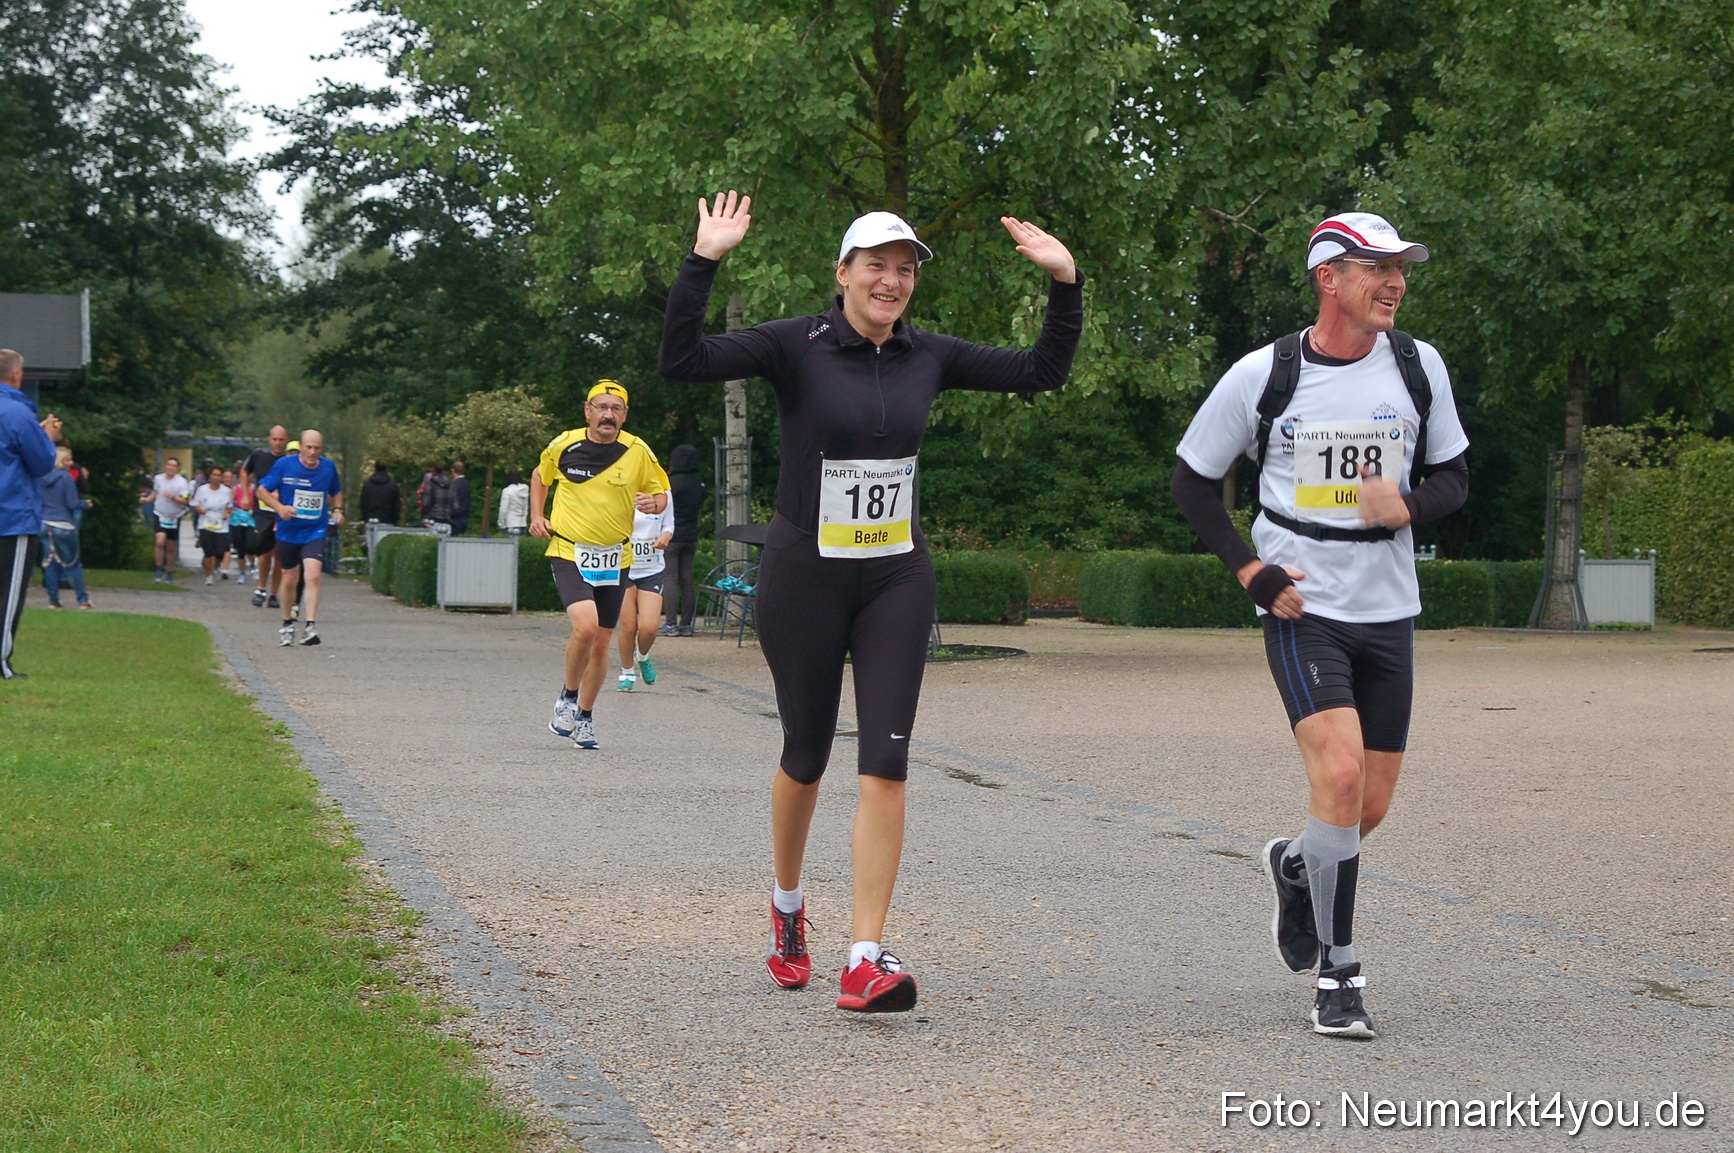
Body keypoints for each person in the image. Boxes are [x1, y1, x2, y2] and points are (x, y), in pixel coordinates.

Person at [660, 193, 1083, 1013]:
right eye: (876, 266)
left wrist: (1065, 283)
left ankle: (865, 956)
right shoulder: (795, 344)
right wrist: (703, 260)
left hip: (895, 574)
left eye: (905, 268)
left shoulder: (930, 354)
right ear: (844, 273)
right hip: (804, 573)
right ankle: (787, 907)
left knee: (885, 757)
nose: (892, 281)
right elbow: (683, 359)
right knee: (807, 753)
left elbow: (1042, 371)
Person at [1171, 212, 1470, 1039]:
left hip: (1389, 611)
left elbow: (1455, 476)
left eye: (1402, 267)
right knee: (1336, 780)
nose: (1396, 282)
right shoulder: (1266, 374)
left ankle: (1297, 862)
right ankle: (1339, 974)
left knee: (1364, 808)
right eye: (1376, 267)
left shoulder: (1418, 367)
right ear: (1327, 277)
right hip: (1304, 610)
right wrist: (1252, 571)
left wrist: (1404, 503)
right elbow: (1193, 482)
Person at [531, 380, 669, 750]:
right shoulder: (564, 444)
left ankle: (586, 718)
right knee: (587, 628)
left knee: (602, 643)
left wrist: (654, 504)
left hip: (615, 556)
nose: (608, 414)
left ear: (625, 415)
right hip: (569, 551)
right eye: (601, 407)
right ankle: (568, 696)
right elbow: (540, 477)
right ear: (587, 411)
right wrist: (537, 515)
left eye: (616, 408)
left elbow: (660, 493)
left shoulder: (637, 450)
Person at [1, 348, 61, 677]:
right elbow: (40, 462)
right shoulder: (18, 414)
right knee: (8, 594)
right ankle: (2, 662)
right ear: (17, 375)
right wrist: (46, 437)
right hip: (11, 516)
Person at [257, 429, 344, 647]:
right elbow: (261, 490)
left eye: (317, 448)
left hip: (315, 529)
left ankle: (310, 626)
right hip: (289, 530)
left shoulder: (328, 467)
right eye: (309, 447)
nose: (312, 452)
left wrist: (338, 510)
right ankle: (287, 623)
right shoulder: (285, 465)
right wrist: (279, 507)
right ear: (301, 446)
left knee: (313, 576)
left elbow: (336, 490)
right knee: (288, 579)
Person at [615, 485, 673, 691]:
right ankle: (627, 672)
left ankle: (642, 656)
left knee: (649, 627)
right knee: (628, 626)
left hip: (651, 569)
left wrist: (665, 536)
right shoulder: (619, 487)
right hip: (623, 568)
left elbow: (669, 524)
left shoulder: (662, 493)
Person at [659, 444, 705, 637]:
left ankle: (670, 624)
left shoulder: (671, 483)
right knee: (687, 580)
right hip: (691, 535)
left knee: (670, 579)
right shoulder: (699, 483)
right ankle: (686, 624)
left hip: (672, 535)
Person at [38, 445, 92, 608]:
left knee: (49, 563)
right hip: (63, 524)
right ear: (60, 461)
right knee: (73, 563)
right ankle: (82, 600)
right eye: (67, 459)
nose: (71, 463)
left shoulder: (42, 477)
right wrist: (85, 504)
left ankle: (53, 600)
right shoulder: (66, 477)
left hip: (44, 523)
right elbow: (72, 503)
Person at [243, 426, 289, 606]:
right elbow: (245, 471)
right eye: (274, 439)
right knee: (264, 552)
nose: (277, 443)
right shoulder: (259, 456)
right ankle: (261, 588)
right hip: (262, 511)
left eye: (281, 440)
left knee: (279, 553)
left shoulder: (290, 461)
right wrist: (246, 495)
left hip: (282, 512)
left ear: (286, 441)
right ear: (269, 439)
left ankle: (274, 593)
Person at [142, 457, 192, 583]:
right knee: (160, 542)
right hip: (160, 513)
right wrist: (147, 499)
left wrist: (173, 497)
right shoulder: (159, 478)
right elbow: (155, 493)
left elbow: (185, 500)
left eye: (174, 466)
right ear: (165, 466)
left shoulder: (181, 483)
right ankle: (159, 569)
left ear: (178, 468)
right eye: (169, 465)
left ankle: (169, 571)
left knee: (170, 547)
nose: (170, 468)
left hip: (174, 516)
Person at [191, 467, 234, 585]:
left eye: (219, 475)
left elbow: (230, 507)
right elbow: (194, 504)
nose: (216, 477)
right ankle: (209, 575)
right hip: (206, 523)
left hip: (221, 525)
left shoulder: (226, 491)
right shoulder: (202, 490)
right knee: (208, 551)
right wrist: (201, 510)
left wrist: (226, 513)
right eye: (214, 475)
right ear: (210, 476)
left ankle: (216, 566)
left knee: (221, 551)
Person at [421, 464, 456, 533]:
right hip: (447, 520)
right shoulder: (451, 484)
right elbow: (456, 505)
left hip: (433, 519)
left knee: (433, 542)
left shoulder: (431, 483)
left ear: (433, 470)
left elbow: (426, 503)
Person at [497, 469, 529, 535]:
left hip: (510, 524)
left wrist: (501, 523)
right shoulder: (525, 489)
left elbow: (503, 509)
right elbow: (526, 507)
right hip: (523, 523)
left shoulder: (507, 491)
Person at [450, 460, 472, 536]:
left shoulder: (453, 484)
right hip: (465, 517)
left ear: (453, 470)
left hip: (454, 518)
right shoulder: (467, 484)